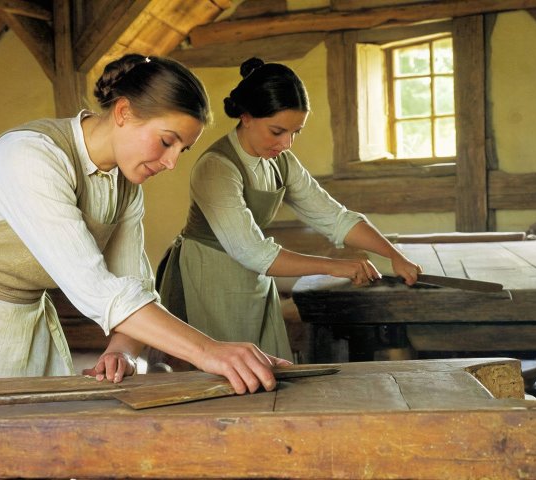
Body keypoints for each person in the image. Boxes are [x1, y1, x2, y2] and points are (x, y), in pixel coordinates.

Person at [0, 53, 290, 394]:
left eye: (182, 150)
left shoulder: (124, 186)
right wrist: (209, 351)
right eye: (167, 141)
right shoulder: (29, 156)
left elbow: (133, 285)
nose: (171, 162)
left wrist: (123, 349)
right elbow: (95, 288)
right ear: (124, 112)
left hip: (28, 323)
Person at [156, 57, 422, 362]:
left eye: (296, 132)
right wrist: (335, 266)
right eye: (277, 131)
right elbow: (253, 253)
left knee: (268, 363)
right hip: (211, 275)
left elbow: (334, 217)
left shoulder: (281, 161)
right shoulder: (216, 167)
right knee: (233, 372)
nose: (287, 143)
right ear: (246, 116)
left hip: (255, 272)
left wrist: (393, 255)